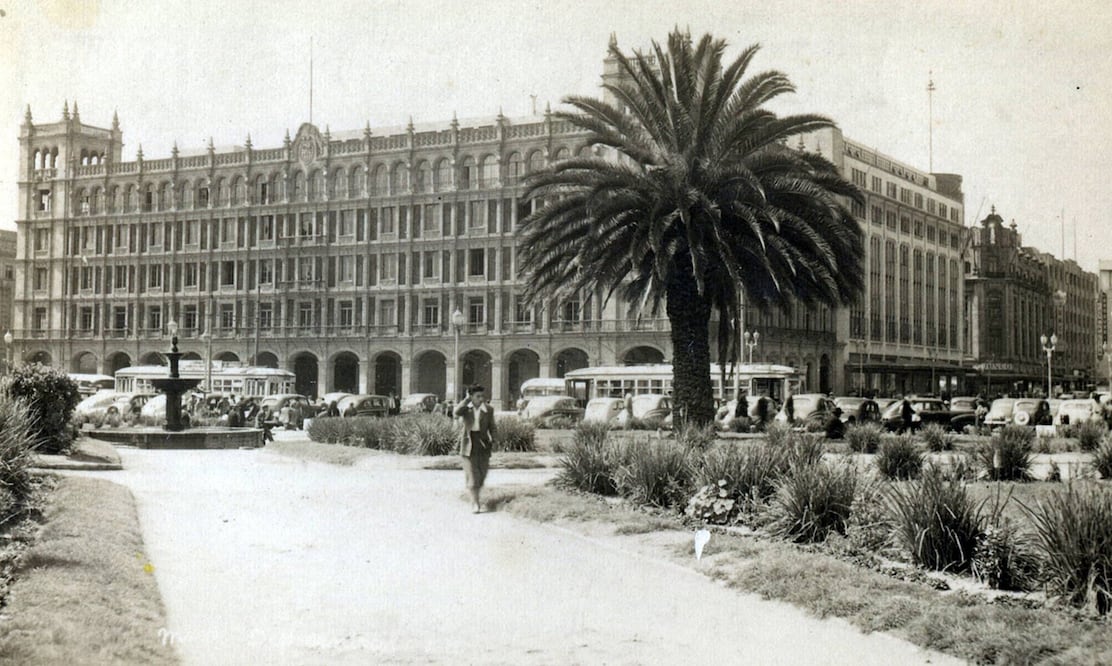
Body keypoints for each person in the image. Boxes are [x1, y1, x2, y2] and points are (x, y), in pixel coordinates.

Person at [454, 384, 497, 514]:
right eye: (477, 396)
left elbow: (492, 427)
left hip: (483, 444)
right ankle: (475, 503)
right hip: (469, 443)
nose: (481, 399)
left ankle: (474, 493)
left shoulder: (488, 409)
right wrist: (467, 399)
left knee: (482, 474)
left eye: (482, 396)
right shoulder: (466, 409)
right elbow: (456, 412)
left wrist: (494, 440)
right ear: (471, 397)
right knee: (473, 476)